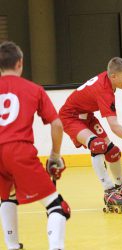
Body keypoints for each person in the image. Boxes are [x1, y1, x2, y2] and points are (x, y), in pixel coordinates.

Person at [0, 41, 69, 250]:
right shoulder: (33, 89)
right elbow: (57, 124)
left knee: (7, 196)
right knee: (58, 207)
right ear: (20, 63)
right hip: (18, 150)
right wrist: (55, 155)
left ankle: (12, 246)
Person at [59, 57, 122, 209]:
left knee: (113, 151)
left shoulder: (110, 76)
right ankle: (108, 191)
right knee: (97, 145)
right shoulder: (104, 91)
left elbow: (121, 83)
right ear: (113, 76)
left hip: (87, 116)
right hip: (70, 117)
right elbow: (114, 126)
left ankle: (120, 185)